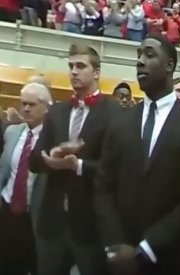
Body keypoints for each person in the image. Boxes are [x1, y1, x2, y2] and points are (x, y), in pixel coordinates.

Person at [94, 34, 180, 275]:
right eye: (138, 55)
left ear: (169, 66)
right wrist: (116, 245)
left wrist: (146, 248)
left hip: (170, 257)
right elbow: (103, 186)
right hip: (117, 259)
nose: (140, 61)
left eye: (149, 54)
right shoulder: (120, 123)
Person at [30, 44, 120, 275]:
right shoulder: (57, 111)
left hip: (92, 225)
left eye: (81, 66)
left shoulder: (115, 113)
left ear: (97, 72)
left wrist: (78, 165)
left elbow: (115, 169)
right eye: (71, 66)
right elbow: (34, 161)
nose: (74, 72)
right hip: (53, 223)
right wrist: (53, 156)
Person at [0, 83, 52, 275]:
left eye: (32, 104)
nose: (26, 108)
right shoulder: (12, 132)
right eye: (24, 104)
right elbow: (4, 169)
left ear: (47, 107)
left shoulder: (52, 137)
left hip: (35, 216)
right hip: (7, 212)